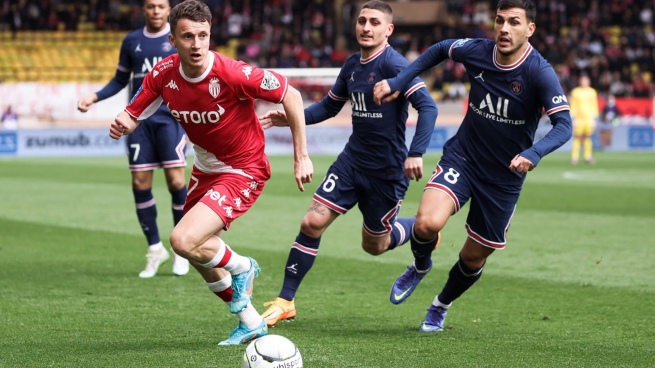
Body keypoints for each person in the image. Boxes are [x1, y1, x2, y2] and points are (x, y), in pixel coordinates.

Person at [108, 0, 313, 345]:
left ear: (210, 35)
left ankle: (243, 266)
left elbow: (290, 95)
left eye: (203, 35)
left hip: (243, 168)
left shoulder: (232, 72)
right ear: (172, 41)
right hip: (205, 170)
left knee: (182, 241)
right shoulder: (163, 73)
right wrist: (123, 123)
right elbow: (134, 112)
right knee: (198, 255)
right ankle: (250, 322)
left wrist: (301, 157)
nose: (197, 44)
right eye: (188, 36)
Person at [373, 0, 572, 332]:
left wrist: (534, 153)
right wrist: (398, 81)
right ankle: (421, 264)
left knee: (472, 258)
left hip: (504, 178)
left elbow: (564, 125)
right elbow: (438, 49)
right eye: (499, 21)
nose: (505, 29)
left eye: (514, 22)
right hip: (464, 158)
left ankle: (441, 304)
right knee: (425, 225)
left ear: (530, 29)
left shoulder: (539, 72)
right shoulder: (477, 51)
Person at [257, 0, 439, 327]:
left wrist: (416, 152)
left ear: (389, 30)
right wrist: (291, 117)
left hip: (386, 173)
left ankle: (416, 230)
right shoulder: (353, 64)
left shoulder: (396, 65)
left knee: (374, 245)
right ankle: (286, 301)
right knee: (311, 223)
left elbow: (428, 108)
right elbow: (329, 106)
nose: (366, 27)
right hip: (351, 164)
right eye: (362, 21)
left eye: (374, 22)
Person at [77, 0, 190, 278]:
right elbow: (119, 79)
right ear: (144, 10)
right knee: (140, 182)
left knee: (176, 181)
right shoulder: (131, 41)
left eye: (161, 6)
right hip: (138, 121)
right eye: (151, 6)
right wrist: (94, 96)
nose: (155, 11)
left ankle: (181, 248)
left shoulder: (178, 39)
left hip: (169, 119)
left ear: (168, 10)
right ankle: (155, 249)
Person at [569, 74, 599, 164]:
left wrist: (595, 118)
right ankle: (574, 157)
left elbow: (594, 105)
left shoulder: (592, 92)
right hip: (579, 119)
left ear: (588, 82)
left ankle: (587, 157)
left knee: (587, 137)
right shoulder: (575, 92)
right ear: (580, 81)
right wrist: (573, 118)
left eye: (586, 80)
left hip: (589, 119)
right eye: (582, 80)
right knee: (577, 138)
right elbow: (573, 105)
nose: (584, 82)